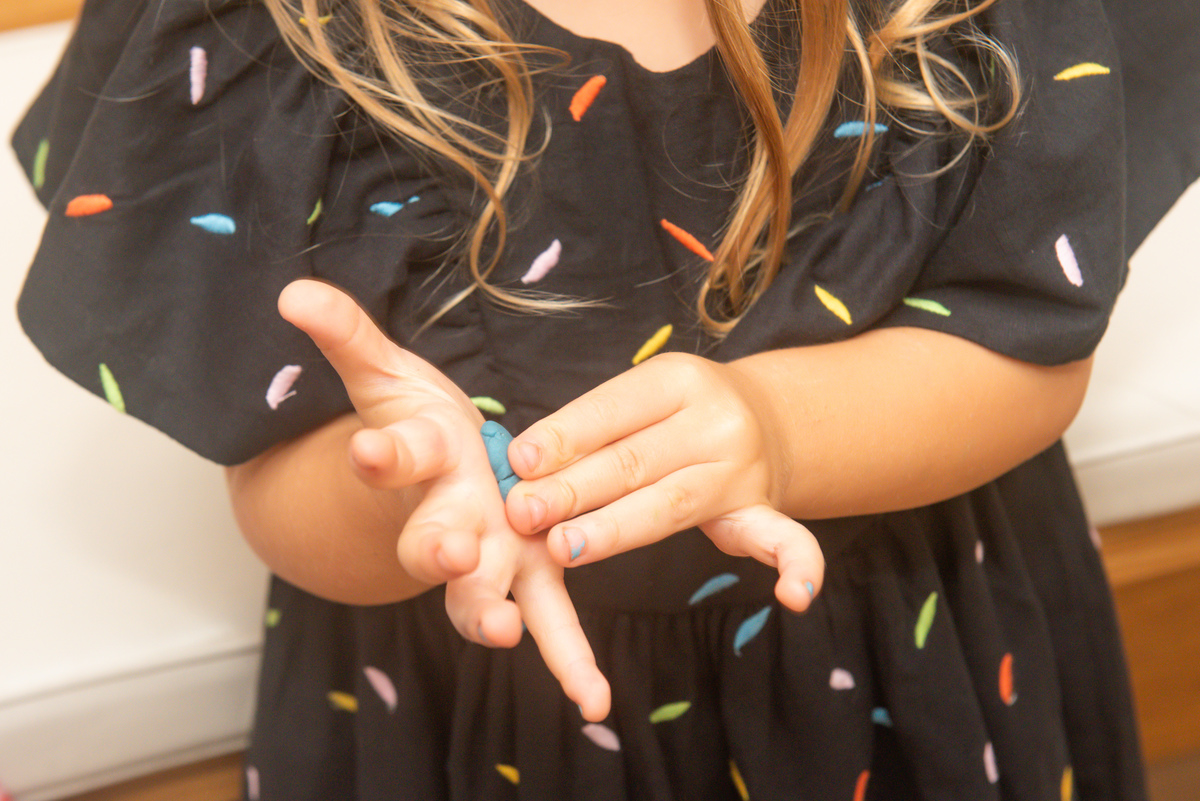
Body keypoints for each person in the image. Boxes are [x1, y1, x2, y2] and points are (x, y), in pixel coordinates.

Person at [12, 0, 1198, 797]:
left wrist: (782, 431)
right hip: (470, 713)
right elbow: (273, 480)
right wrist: (403, 498)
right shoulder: (277, 28)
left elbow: (1028, 350)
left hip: (909, 661)